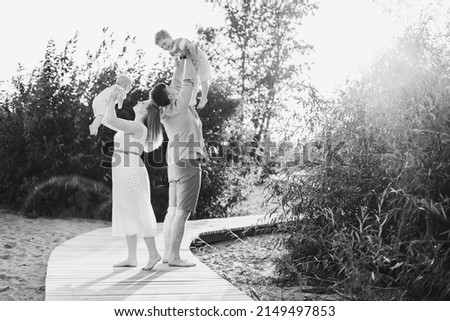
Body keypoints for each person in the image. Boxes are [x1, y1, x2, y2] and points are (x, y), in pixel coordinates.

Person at [150, 56, 207, 267]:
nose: (174, 88)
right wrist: (191, 60)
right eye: (171, 89)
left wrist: (180, 64)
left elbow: (176, 84)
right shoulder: (180, 106)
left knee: (172, 210)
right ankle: (174, 256)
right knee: (182, 213)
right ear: (171, 95)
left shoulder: (165, 110)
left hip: (174, 162)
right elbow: (189, 83)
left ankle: (167, 254)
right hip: (188, 161)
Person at [104, 87, 163, 270]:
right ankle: (131, 257)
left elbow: (111, 118)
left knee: (137, 211)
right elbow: (108, 122)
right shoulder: (133, 124)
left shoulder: (138, 127)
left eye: (142, 103)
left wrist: (112, 99)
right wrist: (113, 103)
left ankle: (153, 254)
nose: (138, 102)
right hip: (123, 168)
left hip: (130, 170)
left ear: (145, 111)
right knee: (127, 211)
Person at [155, 30, 212, 109]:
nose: (164, 47)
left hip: (197, 55)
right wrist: (177, 64)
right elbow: (182, 58)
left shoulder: (178, 43)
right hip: (190, 60)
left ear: (170, 37)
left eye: (164, 43)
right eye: (162, 47)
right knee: (192, 79)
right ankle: (192, 100)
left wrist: (195, 60)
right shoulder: (171, 52)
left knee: (203, 77)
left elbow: (191, 47)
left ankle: (204, 98)